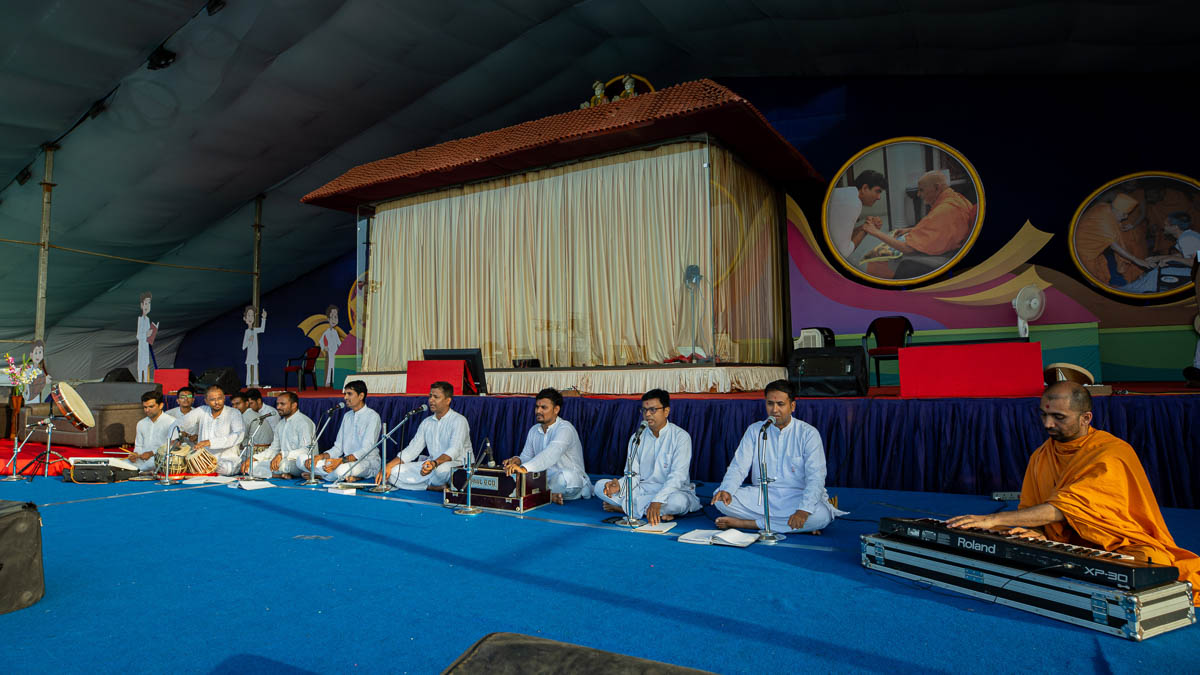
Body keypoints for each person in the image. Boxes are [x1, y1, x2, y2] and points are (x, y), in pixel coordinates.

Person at [948, 382, 1200, 607]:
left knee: (1153, 562)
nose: (1047, 424)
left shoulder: (1111, 453)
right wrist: (1036, 532)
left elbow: (1064, 508)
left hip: (1119, 543)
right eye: (1044, 415)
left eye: (1058, 417)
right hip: (1066, 544)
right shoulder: (1041, 455)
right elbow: (1032, 509)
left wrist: (993, 519)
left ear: (1085, 418)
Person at [711, 380, 845, 533]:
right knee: (720, 499)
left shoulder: (808, 433)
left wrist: (804, 510)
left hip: (797, 496)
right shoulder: (756, 430)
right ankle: (790, 525)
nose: (774, 410)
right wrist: (727, 489)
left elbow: (816, 477)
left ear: (792, 406)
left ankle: (748, 524)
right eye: (770, 404)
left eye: (780, 404)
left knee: (821, 516)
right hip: (762, 496)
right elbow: (738, 466)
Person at [593, 389, 700, 525]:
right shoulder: (637, 437)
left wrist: (658, 500)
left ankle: (625, 509)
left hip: (672, 491)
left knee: (678, 503)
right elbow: (633, 475)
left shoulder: (681, 437)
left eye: (653, 410)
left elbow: (678, 476)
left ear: (666, 411)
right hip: (643, 490)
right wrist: (619, 485)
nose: (647, 414)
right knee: (600, 486)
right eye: (644, 410)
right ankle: (654, 511)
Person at [859, 170, 976, 276]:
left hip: (946, 257)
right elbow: (943, 226)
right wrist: (910, 230)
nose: (918, 194)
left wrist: (875, 232)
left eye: (921, 190)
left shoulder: (944, 210)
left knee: (881, 261)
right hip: (954, 248)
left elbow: (907, 248)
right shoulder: (957, 198)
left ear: (937, 188)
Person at [502, 388, 591, 503]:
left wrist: (523, 469)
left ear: (556, 409)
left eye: (543, 407)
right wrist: (517, 460)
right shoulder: (534, 430)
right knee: (513, 478)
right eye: (537, 407)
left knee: (561, 479)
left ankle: (541, 495)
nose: (538, 411)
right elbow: (527, 456)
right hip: (544, 479)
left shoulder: (565, 428)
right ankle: (548, 496)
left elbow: (550, 455)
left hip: (570, 480)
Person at [379, 381, 471, 491]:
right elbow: (413, 449)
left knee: (441, 471)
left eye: (436, 397)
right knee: (394, 472)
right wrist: (388, 466)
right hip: (430, 465)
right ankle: (431, 487)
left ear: (448, 400)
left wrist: (434, 463)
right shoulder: (427, 422)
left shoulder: (459, 420)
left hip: (455, 465)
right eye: (430, 396)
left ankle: (429, 482)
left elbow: (454, 450)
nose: (431, 400)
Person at [303, 380, 381, 482]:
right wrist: (320, 457)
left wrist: (340, 461)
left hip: (366, 462)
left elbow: (366, 449)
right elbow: (338, 448)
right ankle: (339, 475)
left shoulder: (372, 417)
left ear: (361, 396)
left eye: (349, 394)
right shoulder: (347, 416)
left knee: (341, 470)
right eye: (345, 394)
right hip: (344, 462)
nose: (345, 397)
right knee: (303, 461)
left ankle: (321, 476)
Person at [1073, 193, 1153, 287]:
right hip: (1083, 251)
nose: (1126, 217)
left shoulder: (1104, 206)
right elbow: (1114, 246)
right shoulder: (1106, 222)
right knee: (1092, 278)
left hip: (1093, 249)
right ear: (1116, 209)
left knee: (1100, 273)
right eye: (1124, 214)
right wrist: (1136, 260)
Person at [828, 169, 886, 257]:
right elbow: (842, 253)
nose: (879, 197)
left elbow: (842, 238)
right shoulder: (853, 203)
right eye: (877, 191)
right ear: (864, 188)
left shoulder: (849, 194)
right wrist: (866, 229)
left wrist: (864, 226)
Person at [262, 391, 317, 479]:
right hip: (283, 460)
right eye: (277, 404)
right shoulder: (280, 424)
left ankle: (278, 473)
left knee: (282, 465)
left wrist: (283, 455)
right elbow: (274, 448)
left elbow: (307, 450)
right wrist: (255, 458)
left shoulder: (303, 423)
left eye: (282, 404)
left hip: (301, 463)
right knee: (254, 466)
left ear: (294, 405)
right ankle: (281, 475)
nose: (278, 407)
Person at [195, 385, 246, 476]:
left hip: (226, 459)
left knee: (227, 469)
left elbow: (238, 435)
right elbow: (182, 423)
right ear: (206, 401)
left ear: (224, 398)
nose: (217, 402)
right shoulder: (201, 411)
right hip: (205, 458)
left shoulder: (234, 413)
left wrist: (210, 442)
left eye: (219, 398)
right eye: (212, 400)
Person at [129, 391, 177, 473]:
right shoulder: (141, 423)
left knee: (146, 466)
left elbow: (174, 445)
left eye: (151, 407)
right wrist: (135, 455)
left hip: (161, 460)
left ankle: (138, 471)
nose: (147, 410)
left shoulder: (171, 422)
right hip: (142, 460)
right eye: (145, 407)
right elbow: (138, 445)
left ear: (161, 405)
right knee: (119, 464)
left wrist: (152, 453)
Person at [135, 292, 159, 382]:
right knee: (141, 367)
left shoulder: (148, 319)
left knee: (146, 366)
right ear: (142, 305)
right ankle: (140, 382)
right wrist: (146, 334)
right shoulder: (140, 319)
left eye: (149, 303)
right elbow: (138, 336)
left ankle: (146, 382)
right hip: (141, 347)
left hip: (146, 347)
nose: (147, 306)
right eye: (145, 303)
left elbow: (149, 336)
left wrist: (153, 332)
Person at [241, 306, 267, 387]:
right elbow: (243, 346)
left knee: (255, 368)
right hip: (249, 355)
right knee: (249, 369)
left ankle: (256, 383)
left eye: (252, 315)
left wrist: (264, 318)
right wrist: (249, 340)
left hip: (255, 354)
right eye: (248, 315)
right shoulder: (247, 332)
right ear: (245, 318)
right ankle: (248, 384)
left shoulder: (255, 330)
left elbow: (262, 329)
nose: (250, 318)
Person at [319, 305, 342, 389]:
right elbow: (321, 341)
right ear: (328, 319)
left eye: (335, 317)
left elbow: (338, 342)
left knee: (335, 366)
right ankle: (328, 381)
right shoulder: (327, 332)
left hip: (336, 352)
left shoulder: (335, 332)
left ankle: (334, 381)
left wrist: (342, 348)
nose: (334, 320)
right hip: (330, 352)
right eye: (331, 317)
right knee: (330, 367)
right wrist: (324, 347)